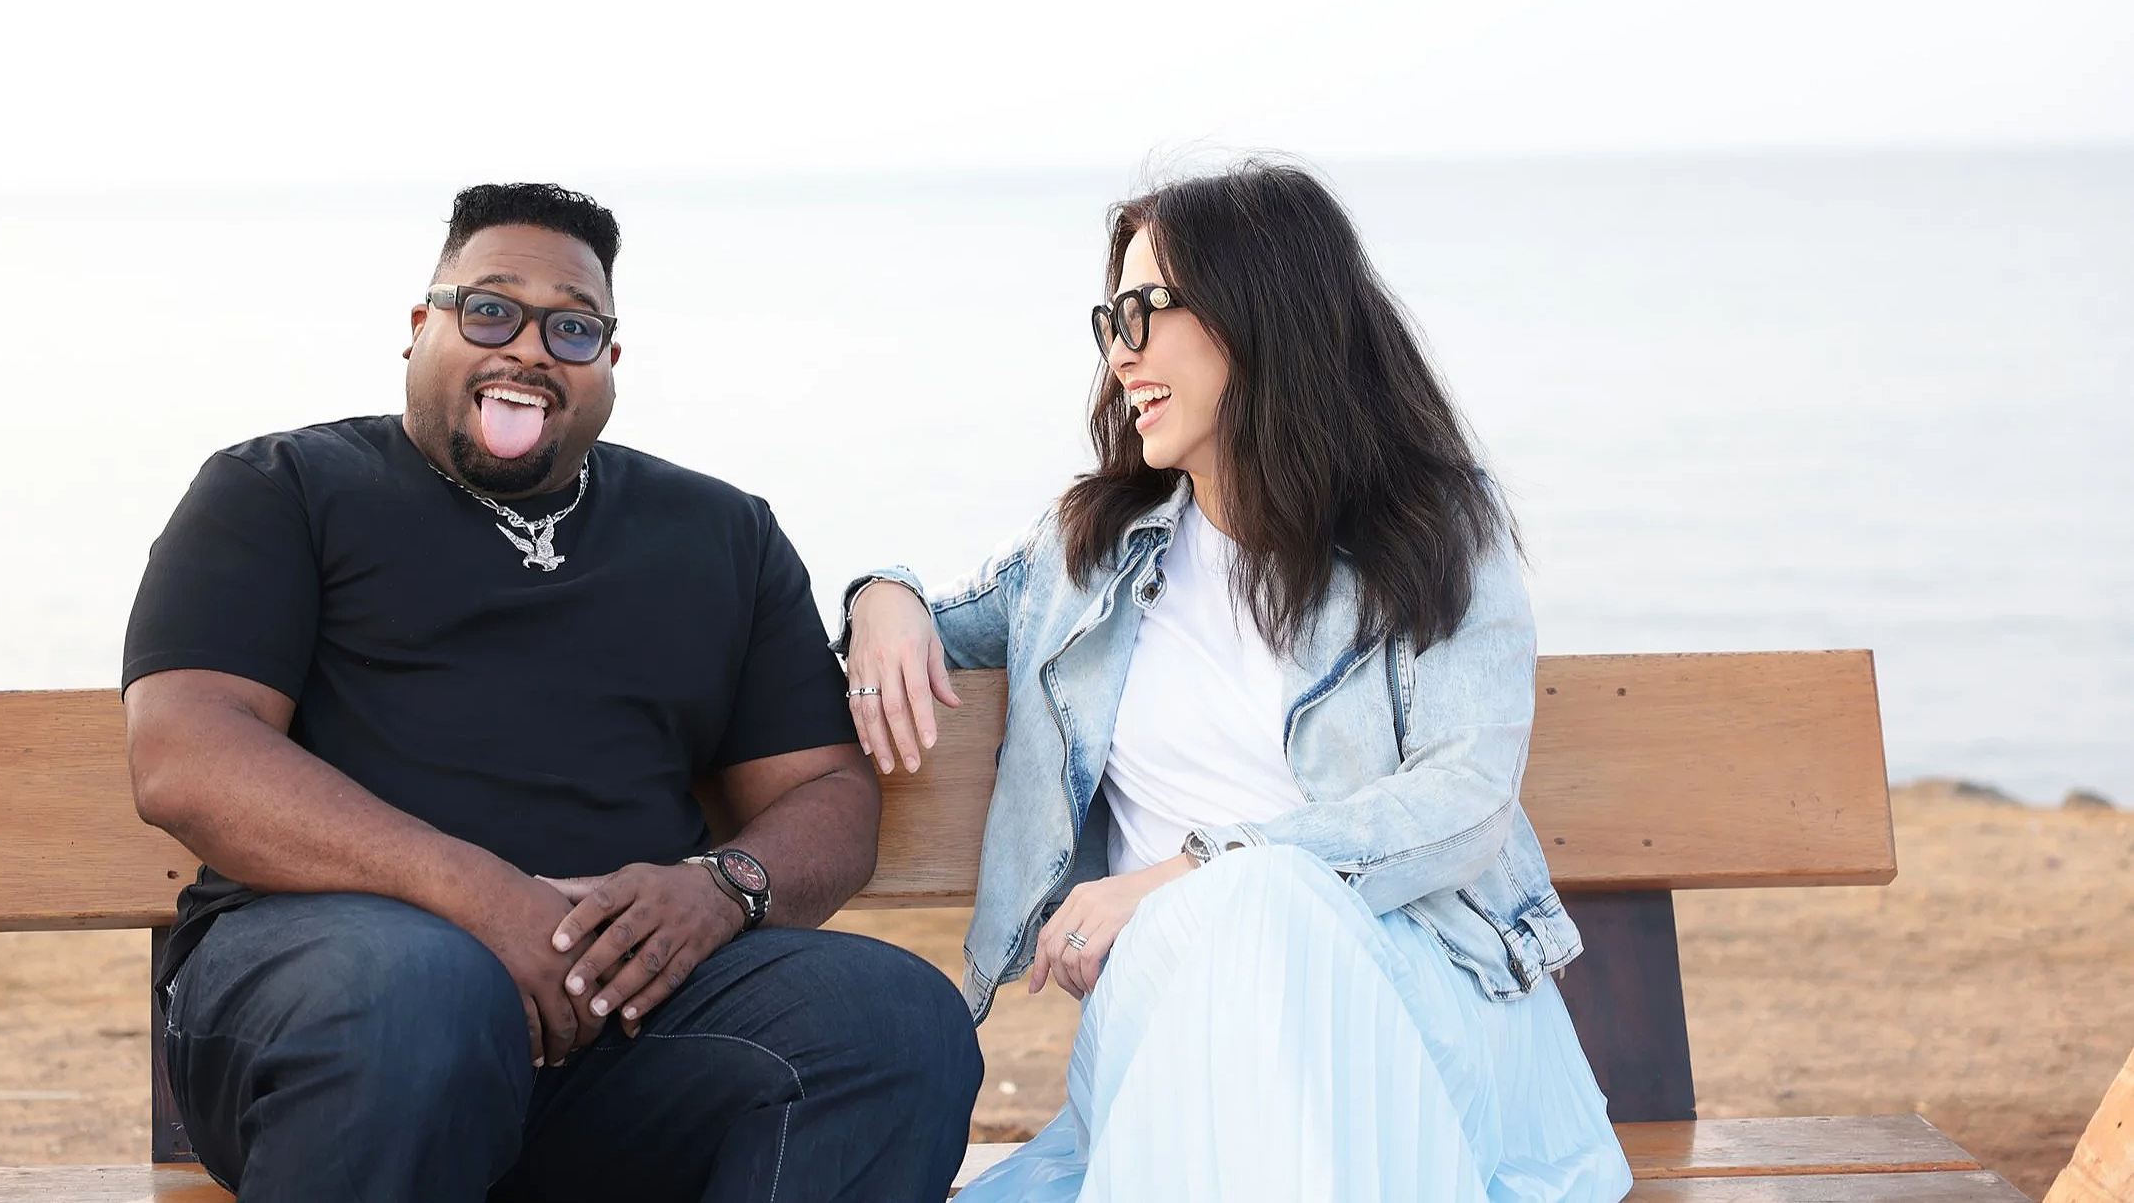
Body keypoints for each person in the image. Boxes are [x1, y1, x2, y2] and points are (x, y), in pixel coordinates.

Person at [123, 182, 981, 1203]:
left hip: (625, 1021)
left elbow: (826, 789)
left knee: (894, 1019)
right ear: (418, 327)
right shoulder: (280, 490)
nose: (529, 346)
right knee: (424, 989)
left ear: (609, 362)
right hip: (333, 1003)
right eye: (490, 309)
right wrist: (481, 899)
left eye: (572, 327)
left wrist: (721, 887)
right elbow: (184, 753)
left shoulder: (718, 533)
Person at [839, 162, 1632, 1202]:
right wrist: (877, 595)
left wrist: (1193, 874)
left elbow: (1463, 799)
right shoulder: (1088, 551)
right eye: (1109, 316)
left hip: (1416, 1022)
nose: (1121, 350)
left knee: (1256, 903)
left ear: (1264, 310)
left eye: (1147, 308)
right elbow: (928, 620)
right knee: (1239, 932)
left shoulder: (1430, 526)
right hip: (1168, 1030)